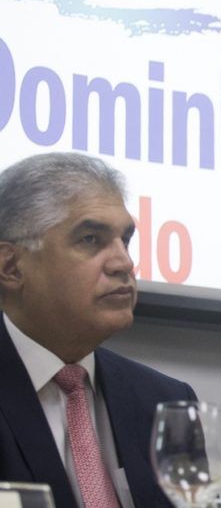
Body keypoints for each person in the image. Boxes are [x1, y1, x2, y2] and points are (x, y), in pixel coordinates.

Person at [0, 152, 197, 508]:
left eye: (126, 240)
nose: (124, 262)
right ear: (11, 266)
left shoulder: (165, 401)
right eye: (91, 239)